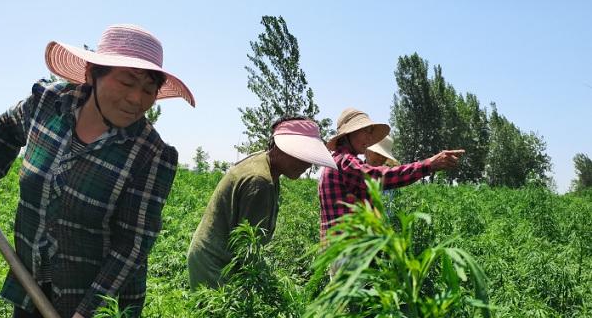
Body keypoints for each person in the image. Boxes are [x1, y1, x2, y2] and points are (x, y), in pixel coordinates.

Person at [0, 24, 195, 318]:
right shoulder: (47, 104)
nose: (138, 99)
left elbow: (133, 243)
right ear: (92, 74)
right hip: (35, 283)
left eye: (150, 89)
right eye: (128, 82)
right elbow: (7, 127)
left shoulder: (151, 154)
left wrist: (89, 313)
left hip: (103, 301)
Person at [188, 117, 337, 289]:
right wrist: (268, 287)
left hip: (215, 256)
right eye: (302, 155)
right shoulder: (260, 181)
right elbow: (247, 249)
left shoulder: (266, 167)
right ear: (281, 148)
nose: (308, 164)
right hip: (216, 262)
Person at [319, 108, 464, 239]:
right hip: (348, 253)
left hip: (341, 250)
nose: (369, 139)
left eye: (371, 133)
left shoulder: (335, 160)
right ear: (349, 133)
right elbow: (380, 177)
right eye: (366, 132)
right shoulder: (345, 162)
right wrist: (428, 165)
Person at [365, 135, 400, 216]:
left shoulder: (389, 178)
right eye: (377, 153)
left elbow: (389, 211)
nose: (381, 158)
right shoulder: (354, 173)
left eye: (384, 155)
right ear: (366, 151)